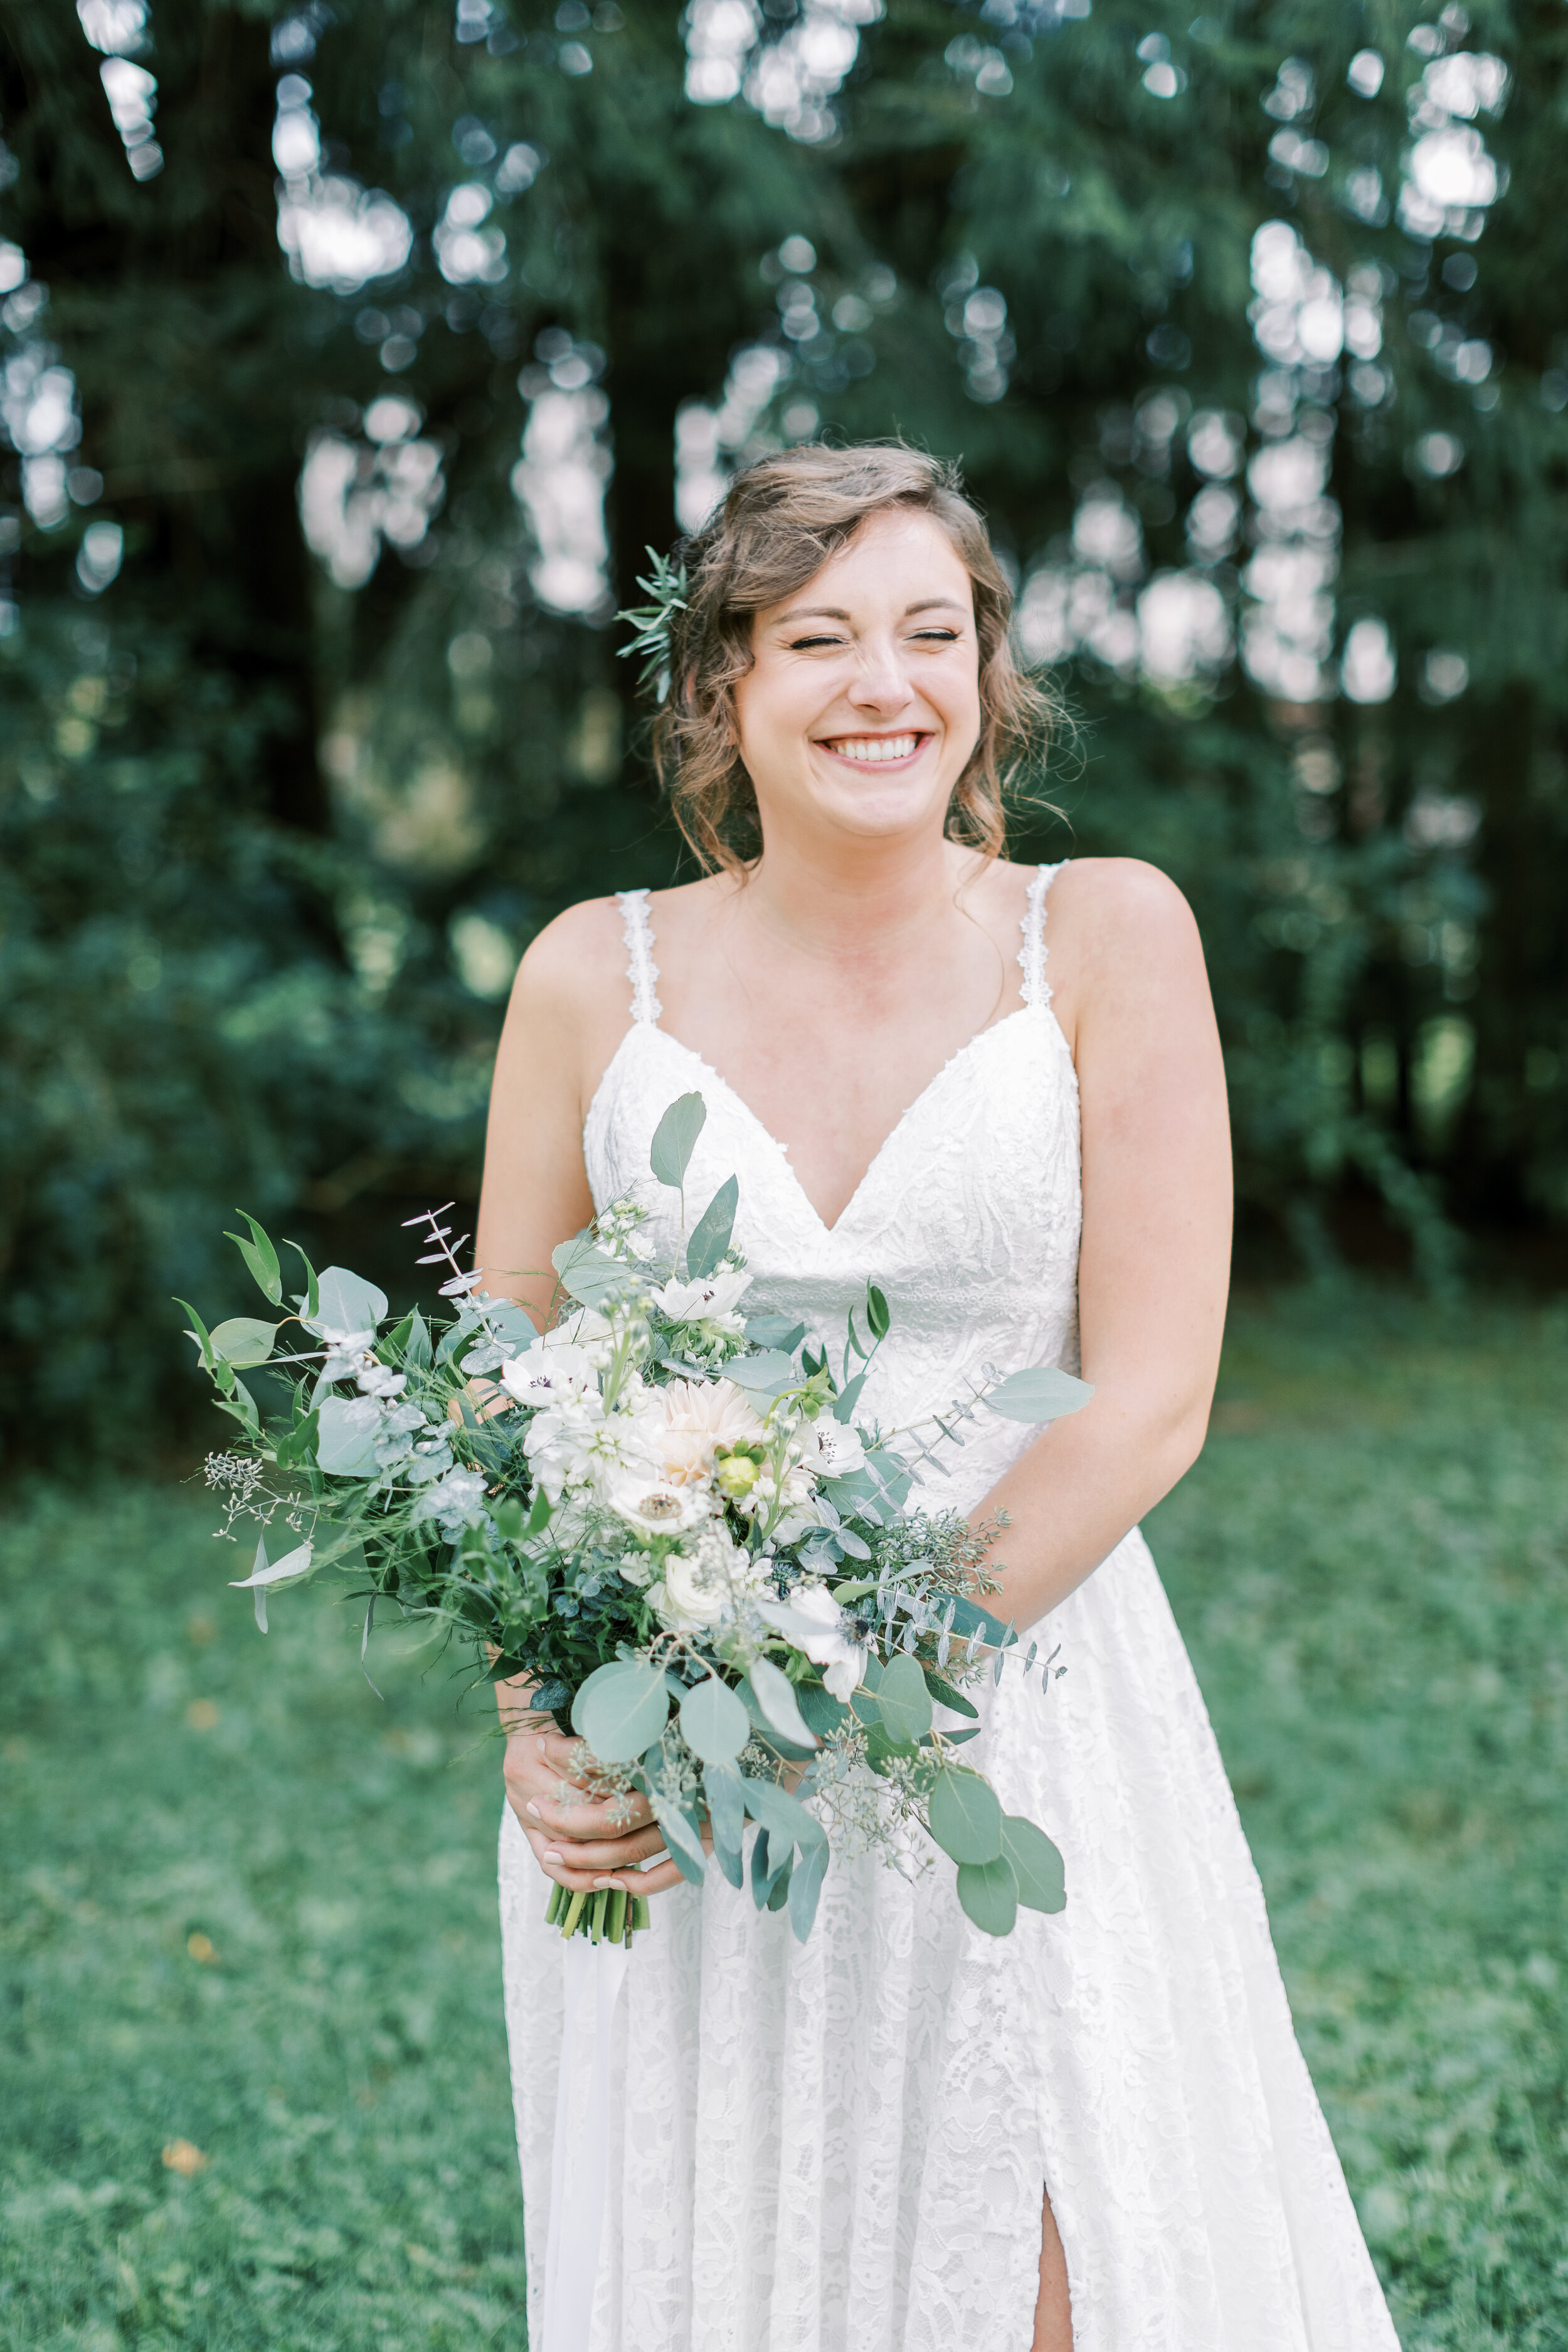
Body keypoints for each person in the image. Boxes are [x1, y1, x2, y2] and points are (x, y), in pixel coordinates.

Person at [475, 444, 1399, 2352]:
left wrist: (856, 1681)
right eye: (816, 635)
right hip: (682, 1750)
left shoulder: (1107, 933)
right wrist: (544, 1716)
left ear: (986, 677)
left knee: (1050, 2260)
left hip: (1018, 1703)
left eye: (930, 632)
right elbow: (504, 1383)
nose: (880, 683)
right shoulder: (590, 973)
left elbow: (1149, 1396)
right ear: (722, 688)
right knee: (722, 2256)